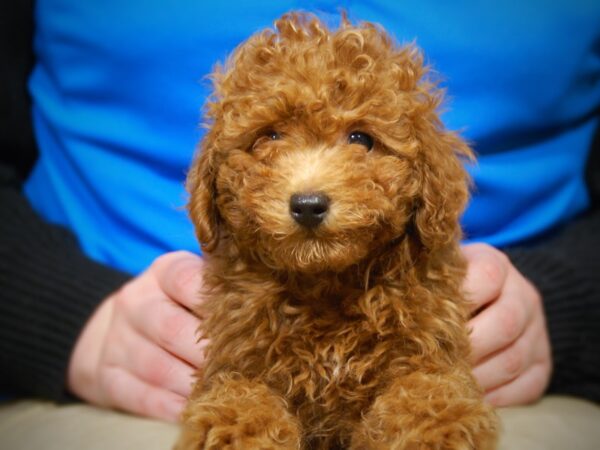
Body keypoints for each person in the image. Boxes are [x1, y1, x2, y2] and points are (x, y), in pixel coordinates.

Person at [1, 1, 599, 449]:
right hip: (121, 378)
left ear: (429, 178)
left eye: (361, 139)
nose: (308, 188)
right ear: (207, 181)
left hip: (522, 367)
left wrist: (571, 301)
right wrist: (57, 309)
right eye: (269, 137)